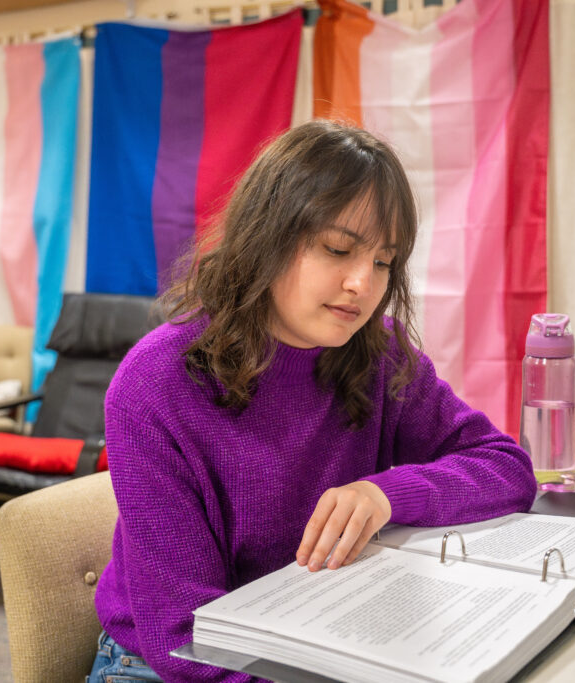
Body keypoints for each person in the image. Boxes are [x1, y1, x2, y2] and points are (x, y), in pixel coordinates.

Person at [87, 120, 538, 683]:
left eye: (382, 262)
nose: (362, 283)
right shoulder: (158, 382)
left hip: (321, 638)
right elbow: (185, 638)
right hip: (173, 666)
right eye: (338, 249)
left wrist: (385, 493)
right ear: (267, 236)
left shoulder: (379, 355)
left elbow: (507, 468)